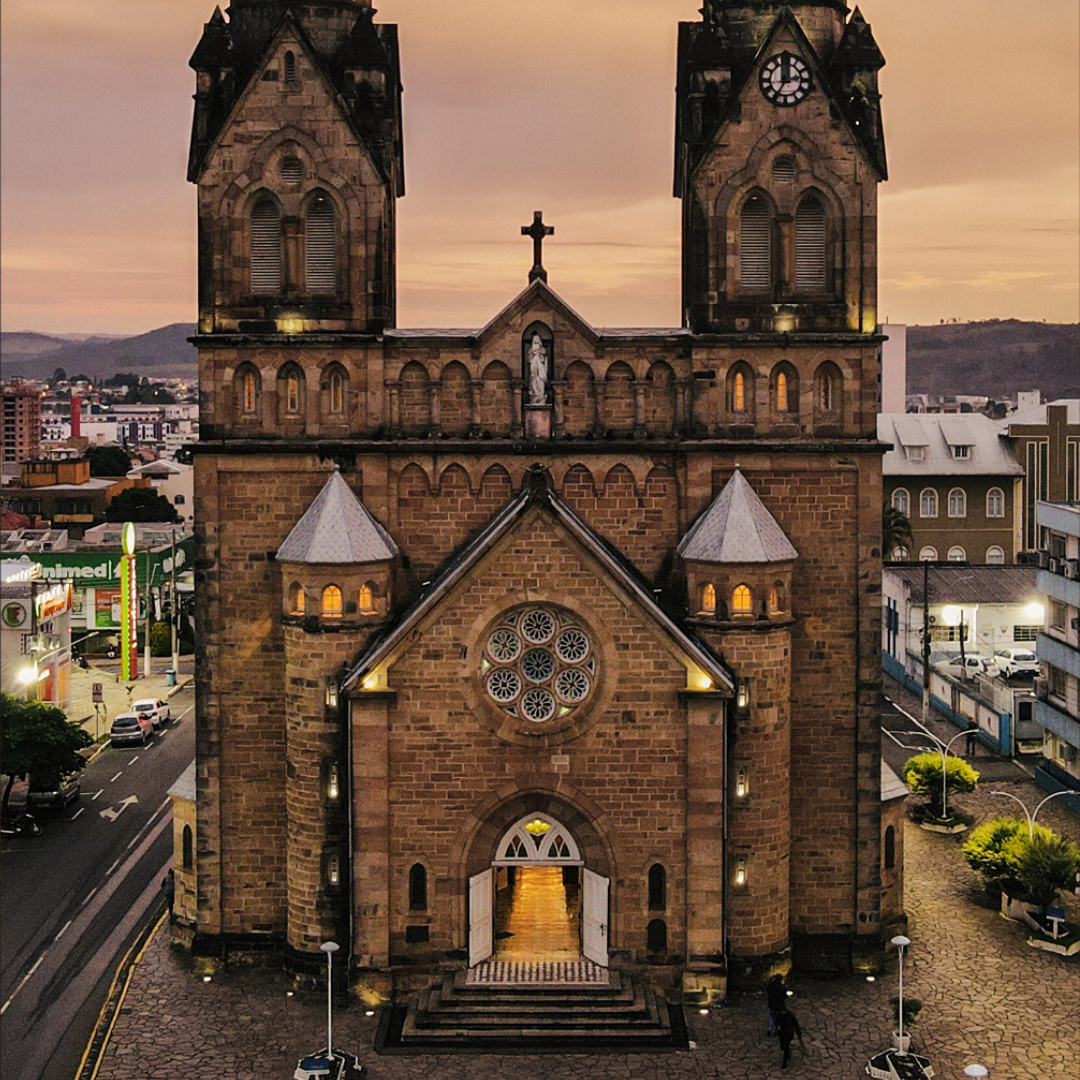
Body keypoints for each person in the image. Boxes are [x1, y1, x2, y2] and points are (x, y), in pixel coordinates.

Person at [776, 1005, 806, 1069]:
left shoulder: (790, 1016)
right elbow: (776, 1022)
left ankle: (785, 1062)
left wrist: (799, 1034)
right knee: (783, 1047)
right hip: (782, 1033)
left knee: (786, 1047)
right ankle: (788, 1054)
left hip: (789, 1034)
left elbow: (796, 1025)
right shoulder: (779, 1015)